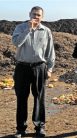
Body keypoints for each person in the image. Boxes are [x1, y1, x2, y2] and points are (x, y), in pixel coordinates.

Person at [11, 6, 55, 137]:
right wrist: (28, 30)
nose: (35, 17)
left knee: (39, 98)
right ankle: (21, 129)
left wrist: (50, 69)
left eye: (38, 15)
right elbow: (16, 43)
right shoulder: (20, 28)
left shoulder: (46, 31)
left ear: (42, 17)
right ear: (29, 14)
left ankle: (39, 126)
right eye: (34, 14)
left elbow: (50, 51)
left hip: (39, 67)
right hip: (22, 67)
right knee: (21, 98)